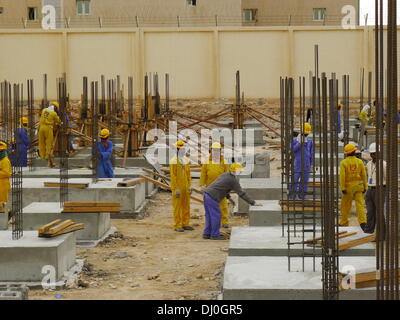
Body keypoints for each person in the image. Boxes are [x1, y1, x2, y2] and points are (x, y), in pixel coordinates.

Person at [203, 163, 262, 240]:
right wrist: (253, 202)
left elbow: (221, 186)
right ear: (236, 171)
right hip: (213, 197)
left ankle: (207, 233)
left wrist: (229, 197)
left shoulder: (225, 174)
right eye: (240, 171)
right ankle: (214, 235)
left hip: (206, 194)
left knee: (209, 215)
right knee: (216, 216)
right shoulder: (233, 180)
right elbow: (241, 193)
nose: (240, 172)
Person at [199, 142, 230, 228]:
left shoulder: (224, 162)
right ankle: (212, 222)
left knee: (223, 205)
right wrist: (202, 185)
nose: (215, 152)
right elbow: (203, 174)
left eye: (217, 150)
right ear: (211, 151)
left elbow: (227, 174)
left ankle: (224, 221)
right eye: (214, 150)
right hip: (210, 188)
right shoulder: (207, 162)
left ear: (220, 151)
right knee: (210, 206)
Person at [339, 143, 367, 231]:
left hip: (348, 188)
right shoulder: (360, 162)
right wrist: (365, 186)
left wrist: (342, 188)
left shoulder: (343, 162)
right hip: (358, 186)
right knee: (360, 205)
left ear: (346, 153)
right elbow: (364, 175)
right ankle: (363, 222)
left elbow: (342, 176)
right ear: (354, 151)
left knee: (345, 206)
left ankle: (343, 222)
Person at [170, 140, 193, 233]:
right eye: (181, 149)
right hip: (178, 187)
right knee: (177, 207)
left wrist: (190, 186)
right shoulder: (173, 161)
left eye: (183, 149)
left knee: (186, 206)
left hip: (186, 187)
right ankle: (177, 225)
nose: (182, 151)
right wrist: (175, 189)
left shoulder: (186, 160)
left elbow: (188, 174)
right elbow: (173, 176)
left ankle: (185, 223)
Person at [364, 143, 386, 234]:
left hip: (379, 189)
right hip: (370, 189)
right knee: (370, 212)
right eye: (372, 153)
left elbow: (387, 178)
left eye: (375, 153)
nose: (373, 155)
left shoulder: (384, 164)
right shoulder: (369, 164)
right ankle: (369, 231)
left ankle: (382, 233)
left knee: (379, 212)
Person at [289, 123, 313, 200]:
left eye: (307, 134)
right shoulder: (294, 140)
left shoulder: (309, 141)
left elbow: (311, 153)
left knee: (304, 182)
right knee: (294, 181)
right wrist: (300, 143)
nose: (305, 135)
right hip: (297, 164)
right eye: (304, 133)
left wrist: (311, 164)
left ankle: (302, 197)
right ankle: (292, 197)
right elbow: (292, 150)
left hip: (306, 164)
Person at [38, 102, 61, 168]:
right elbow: (58, 121)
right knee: (49, 143)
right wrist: (61, 123)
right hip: (48, 128)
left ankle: (42, 156)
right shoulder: (54, 113)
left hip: (41, 128)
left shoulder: (44, 110)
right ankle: (47, 156)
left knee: (41, 143)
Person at [0, 141, 11, 209]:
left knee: (2, 202)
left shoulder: (5, 161)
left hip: (3, 184)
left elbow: (6, 173)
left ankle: (4, 216)